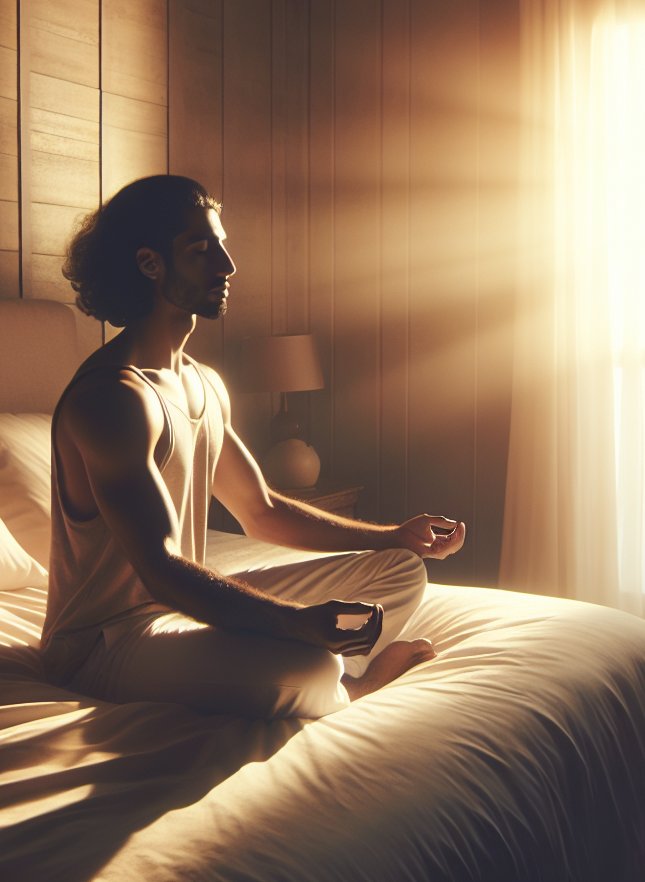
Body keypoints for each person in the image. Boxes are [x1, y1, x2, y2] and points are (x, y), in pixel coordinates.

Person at [40, 175, 465, 720]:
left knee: (402, 568)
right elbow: (160, 567)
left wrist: (394, 535)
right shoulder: (112, 398)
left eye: (221, 244)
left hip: (180, 610)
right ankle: (349, 687)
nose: (227, 266)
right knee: (306, 666)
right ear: (150, 264)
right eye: (202, 250)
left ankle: (337, 672)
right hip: (107, 642)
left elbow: (260, 511)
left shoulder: (202, 382)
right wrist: (295, 623)